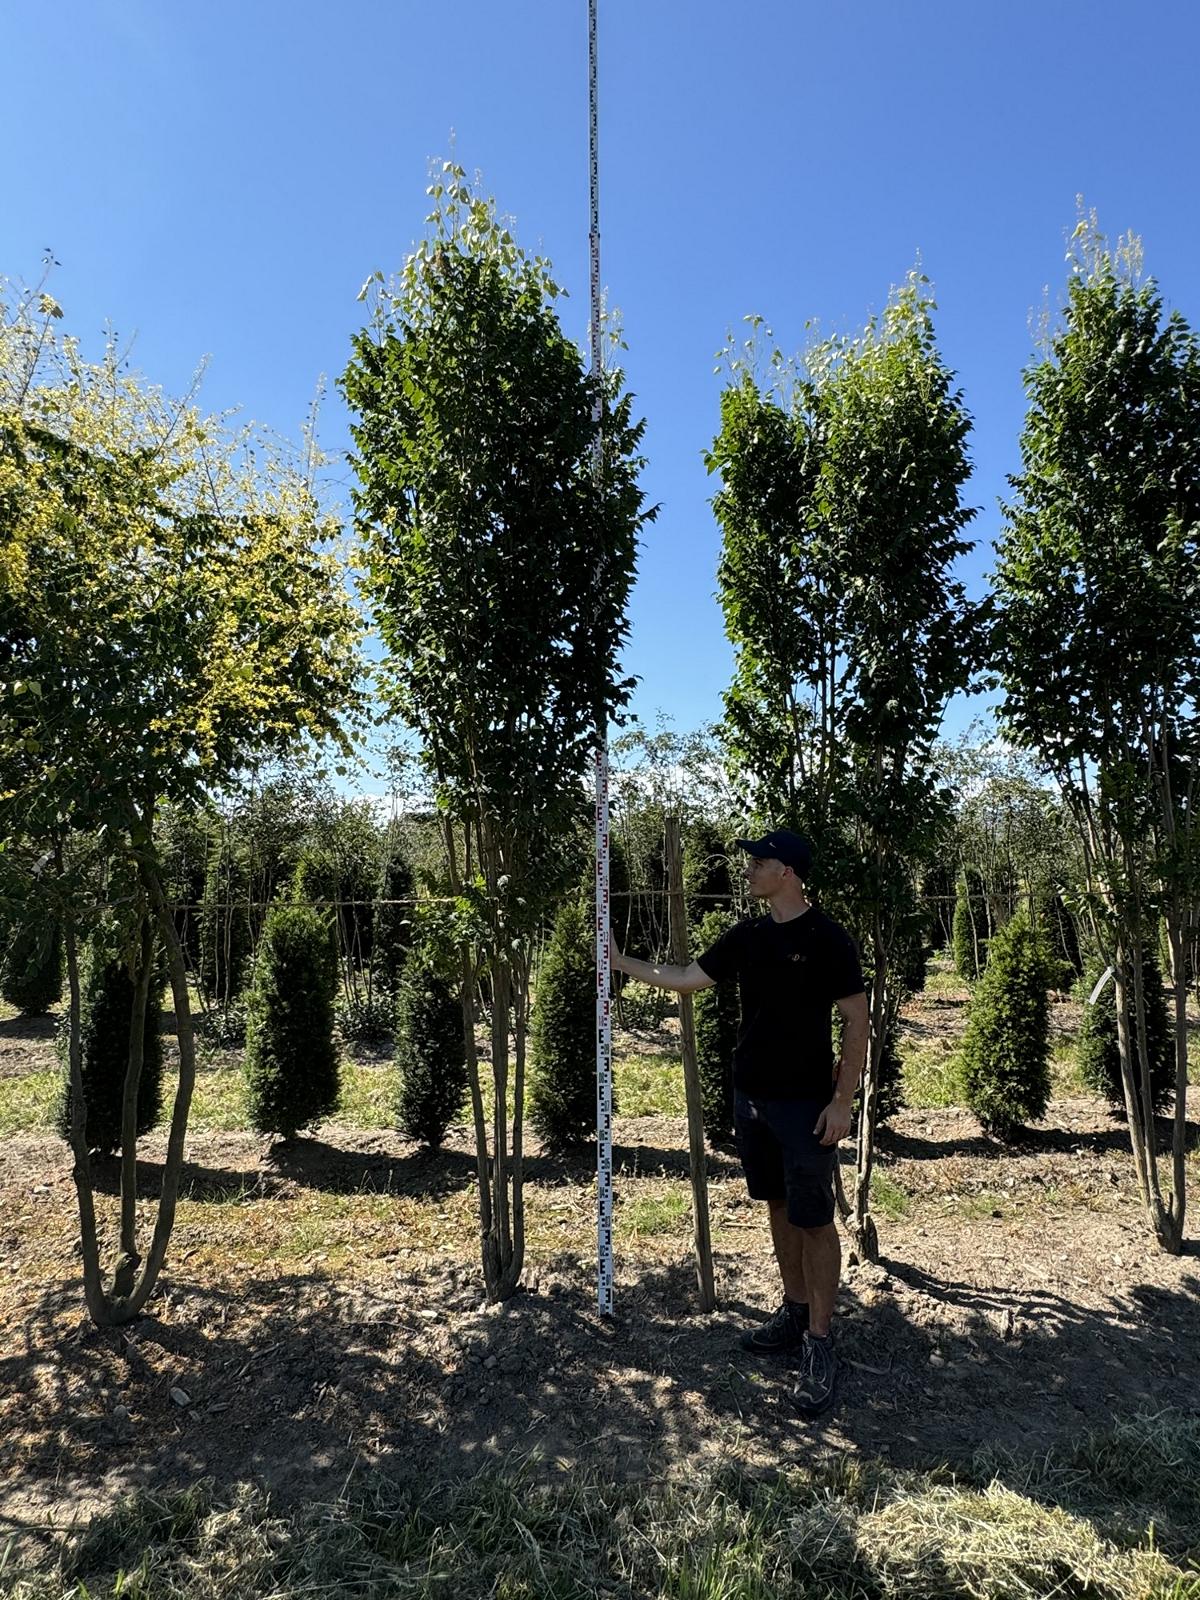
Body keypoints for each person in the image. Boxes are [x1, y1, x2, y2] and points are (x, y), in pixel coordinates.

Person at [610, 828, 868, 1417]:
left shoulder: (828, 940)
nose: (749, 869)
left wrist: (842, 1100)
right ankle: (795, 1312)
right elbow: (686, 978)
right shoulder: (747, 936)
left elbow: (857, 1020)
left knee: (815, 1219)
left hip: (806, 1105)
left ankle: (821, 1343)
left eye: (761, 862)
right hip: (752, 1099)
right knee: (777, 1205)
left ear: (790, 873)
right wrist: (622, 962)